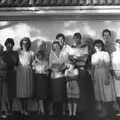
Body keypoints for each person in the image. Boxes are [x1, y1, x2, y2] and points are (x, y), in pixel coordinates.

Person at [91, 39, 116, 118]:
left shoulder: (105, 53)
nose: (98, 47)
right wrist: (92, 77)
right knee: (99, 93)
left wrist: (107, 77)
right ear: (94, 47)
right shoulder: (93, 55)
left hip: (104, 73)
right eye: (96, 45)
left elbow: (108, 66)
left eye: (99, 45)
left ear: (102, 46)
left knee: (106, 93)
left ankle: (109, 112)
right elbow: (92, 68)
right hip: (96, 75)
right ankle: (102, 111)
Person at [49, 40, 68, 117]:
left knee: (62, 94)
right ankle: (51, 111)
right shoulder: (51, 55)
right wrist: (55, 69)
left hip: (61, 76)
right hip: (53, 76)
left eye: (57, 45)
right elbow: (50, 65)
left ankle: (63, 111)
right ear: (53, 47)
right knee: (53, 94)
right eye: (54, 45)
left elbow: (66, 64)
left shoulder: (64, 54)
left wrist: (61, 68)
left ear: (59, 46)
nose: (55, 46)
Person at [16, 37, 34, 115]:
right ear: (21, 43)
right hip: (20, 72)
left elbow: (33, 63)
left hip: (28, 72)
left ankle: (25, 109)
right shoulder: (18, 52)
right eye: (23, 43)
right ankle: (21, 109)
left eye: (26, 43)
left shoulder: (31, 53)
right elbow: (15, 62)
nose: (25, 44)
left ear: (28, 44)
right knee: (20, 91)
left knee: (26, 91)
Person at [3, 38, 19, 115]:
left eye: (11, 43)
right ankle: (5, 108)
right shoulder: (2, 53)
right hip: (3, 74)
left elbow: (16, 62)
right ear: (5, 44)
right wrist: (9, 64)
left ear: (13, 45)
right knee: (4, 93)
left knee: (11, 92)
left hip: (12, 74)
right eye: (8, 43)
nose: (9, 45)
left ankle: (11, 108)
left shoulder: (15, 53)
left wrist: (7, 64)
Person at [32, 50, 49, 115]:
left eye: (41, 55)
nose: (40, 56)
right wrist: (35, 62)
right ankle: (41, 110)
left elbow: (47, 71)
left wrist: (45, 72)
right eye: (38, 55)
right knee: (39, 94)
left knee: (42, 94)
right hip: (37, 78)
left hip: (43, 79)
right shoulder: (35, 62)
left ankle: (41, 109)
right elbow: (33, 69)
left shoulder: (46, 62)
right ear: (37, 56)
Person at [111, 39, 120, 116]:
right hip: (115, 75)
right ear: (115, 45)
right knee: (117, 93)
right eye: (117, 44)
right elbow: (111, 66)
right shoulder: (113, 54)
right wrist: (115, 74)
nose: (118, 45)